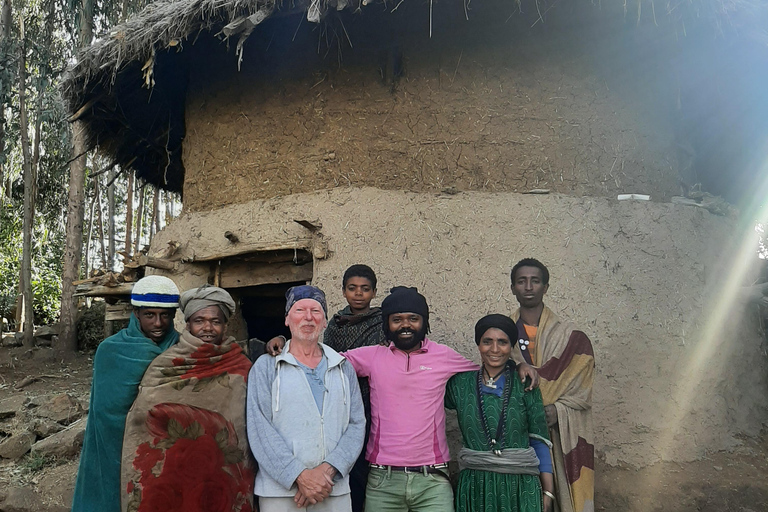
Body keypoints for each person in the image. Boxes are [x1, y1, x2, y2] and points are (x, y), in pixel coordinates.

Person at [342, 286, 540, 512]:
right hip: (382, 480)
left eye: (413, 318)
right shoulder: (371, 357)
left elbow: (489, 366)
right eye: (397, 319)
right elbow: (329, 364)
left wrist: (519, 363)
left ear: (424, 322)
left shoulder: (443, 356)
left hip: (433, 480)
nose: (405, 325)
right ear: (387, 323)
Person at [121, 284, 255, 512]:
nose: (208, 327)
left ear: (225, 325)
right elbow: (143, 420)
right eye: (199, 320)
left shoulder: (240, 363)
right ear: (187, 324)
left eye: (215, 321)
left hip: (225, 471)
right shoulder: (165, 365)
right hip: (175, 469)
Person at [265, 264, 385, 512]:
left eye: (365, 289)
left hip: (370, 409)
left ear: (374, 292)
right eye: (352, 288)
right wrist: (281, 340)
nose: (359, 294)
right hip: (333, 401)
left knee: (361, 477)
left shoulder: (383, 324)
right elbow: (311, 343)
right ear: (343, 291)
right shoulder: (335, 325)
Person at [247, 285, 365, 512]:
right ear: (287, 319)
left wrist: (328, 471)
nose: (308, 318)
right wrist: (298, 475)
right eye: (300, 310)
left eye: (316, 311)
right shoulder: (267, 367)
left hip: (332, 488)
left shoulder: (342, 367)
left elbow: (356, 423)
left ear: (324, 321)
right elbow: (259, 427)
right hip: (281, 492)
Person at [72, 276, 181, 512]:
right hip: (115, 442)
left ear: (173, 316)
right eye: (150, 315)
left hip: (167, 442)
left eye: (165, 315)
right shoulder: (110, 350)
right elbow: (105, 410)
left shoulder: (183, 349)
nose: (158, 322)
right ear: (136, 314)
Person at [446, 314, 555, 512]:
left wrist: (548, 493)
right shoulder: (459, 385)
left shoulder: (525, 384)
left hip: (522, 487)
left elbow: (539, 440)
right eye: (487, 341)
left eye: (502, 342)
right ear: (478, 344)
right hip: (476, 486)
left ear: (511, 347)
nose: (495, 349)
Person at [510, 258, 595, 512]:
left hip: (559, 437)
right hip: (515, 435)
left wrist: (557, 411)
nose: (528, 287)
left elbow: (582, 394)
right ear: (512, 287)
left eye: (535, 281)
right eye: (521, 281)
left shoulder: (571, 338)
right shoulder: (501, 336)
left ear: (546, 287)